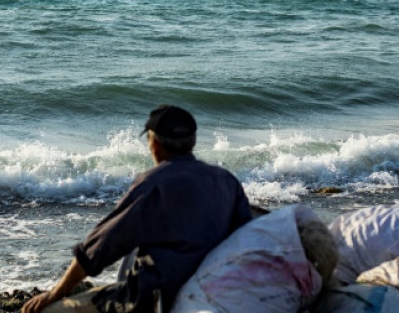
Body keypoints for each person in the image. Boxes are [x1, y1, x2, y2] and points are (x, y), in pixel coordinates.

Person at [22, 105, 252, 313]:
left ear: (154, 143)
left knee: (50, 312)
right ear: (192, 142)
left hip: (155, 298)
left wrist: (55, 293)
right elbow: (247, 239)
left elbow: (97, 250)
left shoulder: (153, 184)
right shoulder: (226, 180)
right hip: (214, 294)